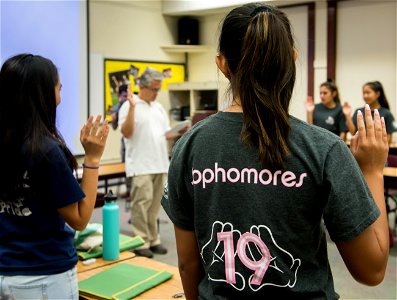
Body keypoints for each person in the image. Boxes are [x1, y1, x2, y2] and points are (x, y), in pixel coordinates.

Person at [161, 3, 389, 299]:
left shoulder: (189, 146)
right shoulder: (324, 150)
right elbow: (372, 270)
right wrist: (372, 171)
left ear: (222, 63)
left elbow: (188, 263)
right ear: (292, 58)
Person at [0, 54, 109, 299]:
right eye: (58, 88)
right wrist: (92, 158)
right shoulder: (45, 150)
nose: (60, 95)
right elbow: (80, 219)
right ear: (44, 94)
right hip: (42, 275)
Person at [118, 67, 187, 258]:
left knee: (156, 205)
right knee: (141, 204)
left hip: (159, 163)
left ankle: (153, 239)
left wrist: (181, 130)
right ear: (142, 86)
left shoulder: (158, 108)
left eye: (159, 89)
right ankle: (141, 241)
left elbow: (165, 133)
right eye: (154, 89)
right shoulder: (129, 105)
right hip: (140, 165)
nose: (157, 93)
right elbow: (127, 132)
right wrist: (132, 107)